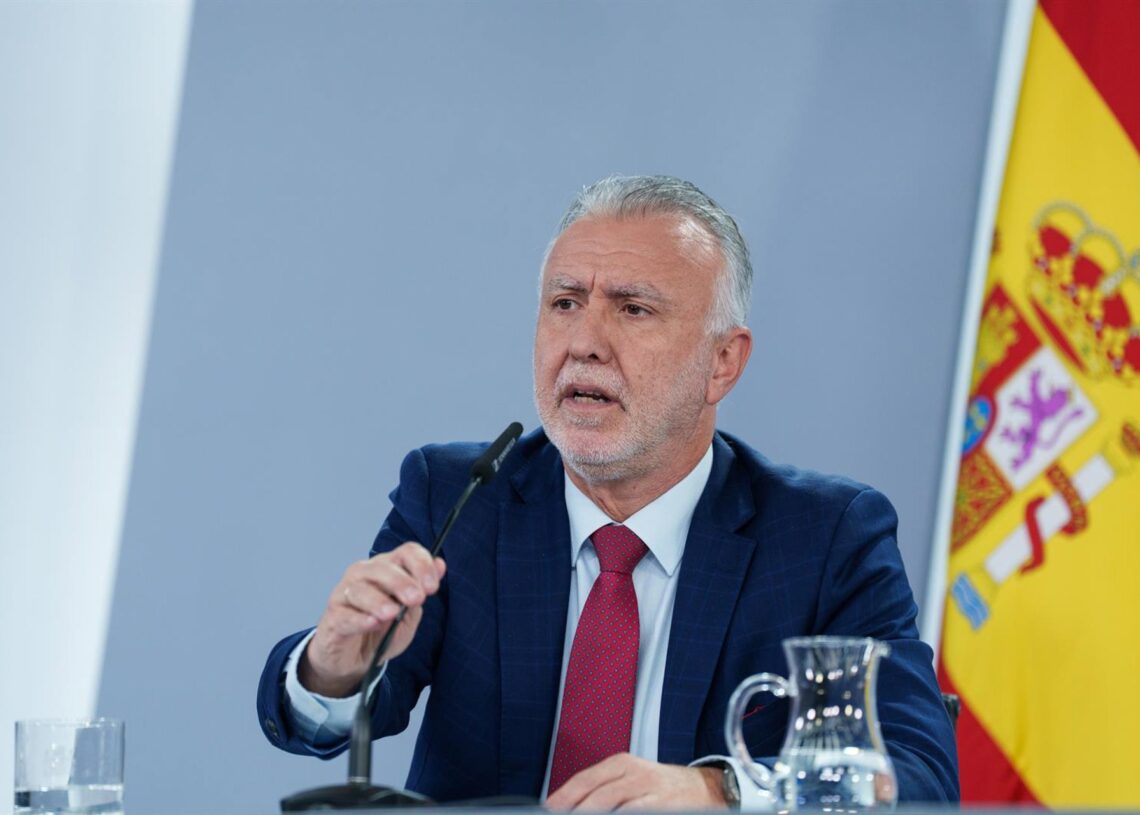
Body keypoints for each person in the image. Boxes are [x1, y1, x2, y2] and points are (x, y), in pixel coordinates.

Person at [257, 175, 959, 809]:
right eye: (565, 302)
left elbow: (919, 777)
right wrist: (333, 665)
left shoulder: (826, 537)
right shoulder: (463, 497)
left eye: (632, 309)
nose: (584, 341)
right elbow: (325, 718)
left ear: (722, 363)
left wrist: (721, 793)